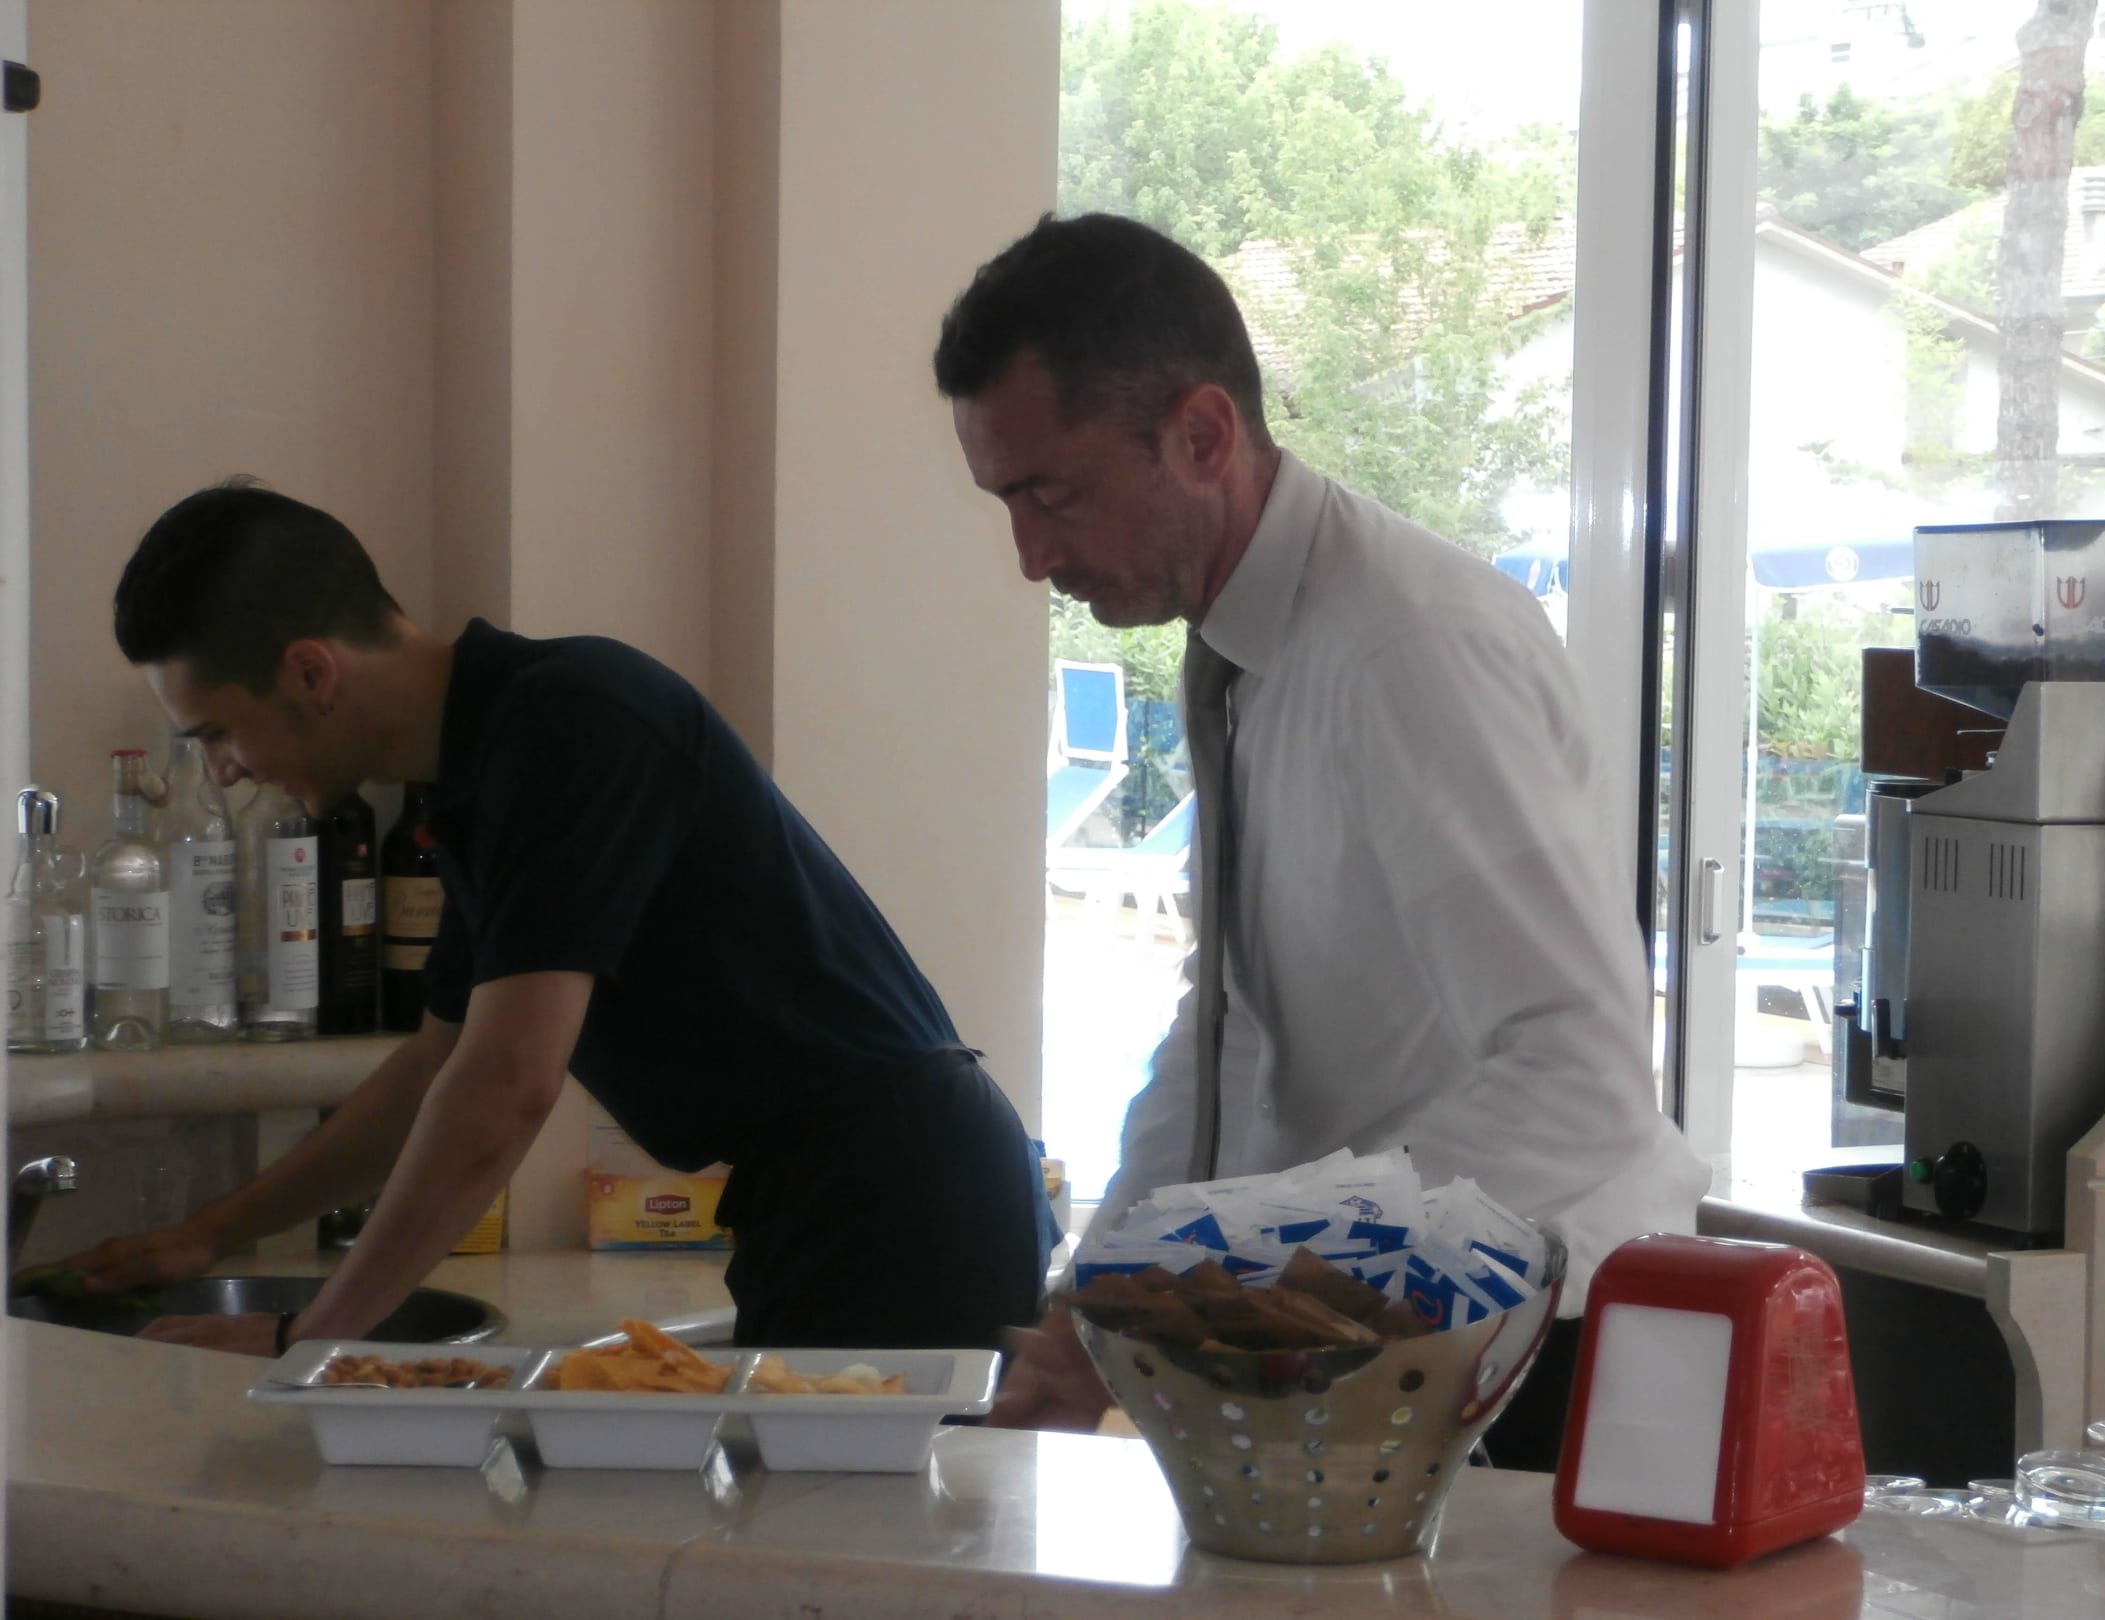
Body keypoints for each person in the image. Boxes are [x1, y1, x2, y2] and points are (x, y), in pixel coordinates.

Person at [934, 214, 1709, 1465]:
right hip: (1373, 1343)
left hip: (1532, 1354)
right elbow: (1235, 1026)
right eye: (1007, 503)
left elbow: (1583, 1070)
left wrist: (1230, 1271)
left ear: (1202, 436)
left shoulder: (1411, 647)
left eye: (1054, 495)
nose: (1032, 558)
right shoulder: (1247, 644)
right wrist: (1107, 1292)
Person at [69, 481, 1055, 1355]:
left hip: (904, 1197)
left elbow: (506, 1088)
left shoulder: (573, 720)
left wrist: (314, 1337)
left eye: (217, 734)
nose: (223, 772)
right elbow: (436, 1067)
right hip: (848, 1196)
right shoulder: (485, 763)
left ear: (312, 673)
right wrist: (209, 1235)